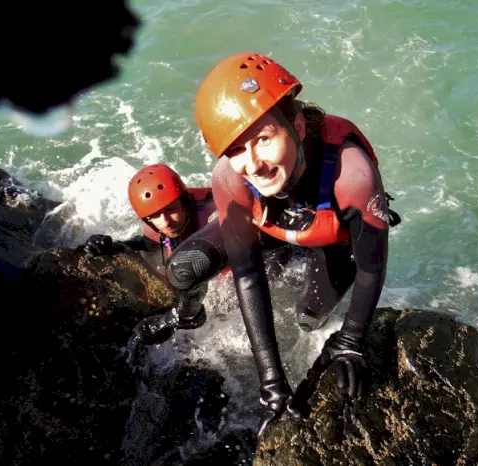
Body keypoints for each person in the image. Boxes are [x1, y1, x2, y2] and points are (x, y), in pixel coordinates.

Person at [192, 52, 400, 436]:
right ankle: (281, 255)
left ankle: (304, 259)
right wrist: (271, 379)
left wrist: (351, 340)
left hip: (330, 235)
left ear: (298, 127)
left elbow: (372, 267)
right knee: (187, 266)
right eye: (236, 149)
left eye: (264, 139)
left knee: (309, 317)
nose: (253, 164)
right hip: (274, 228)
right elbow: (248, 277)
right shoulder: (231, 178)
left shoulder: (350, 175)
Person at [82, 163, 293, 361]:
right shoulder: (159, 229)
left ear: (184, 201)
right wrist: (110, 246)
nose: (166, 221)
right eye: (156, 215)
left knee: (231, 303)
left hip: (268, 255)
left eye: (171, 209)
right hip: (219, 269)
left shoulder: (212, 212)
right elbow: (144, 245)